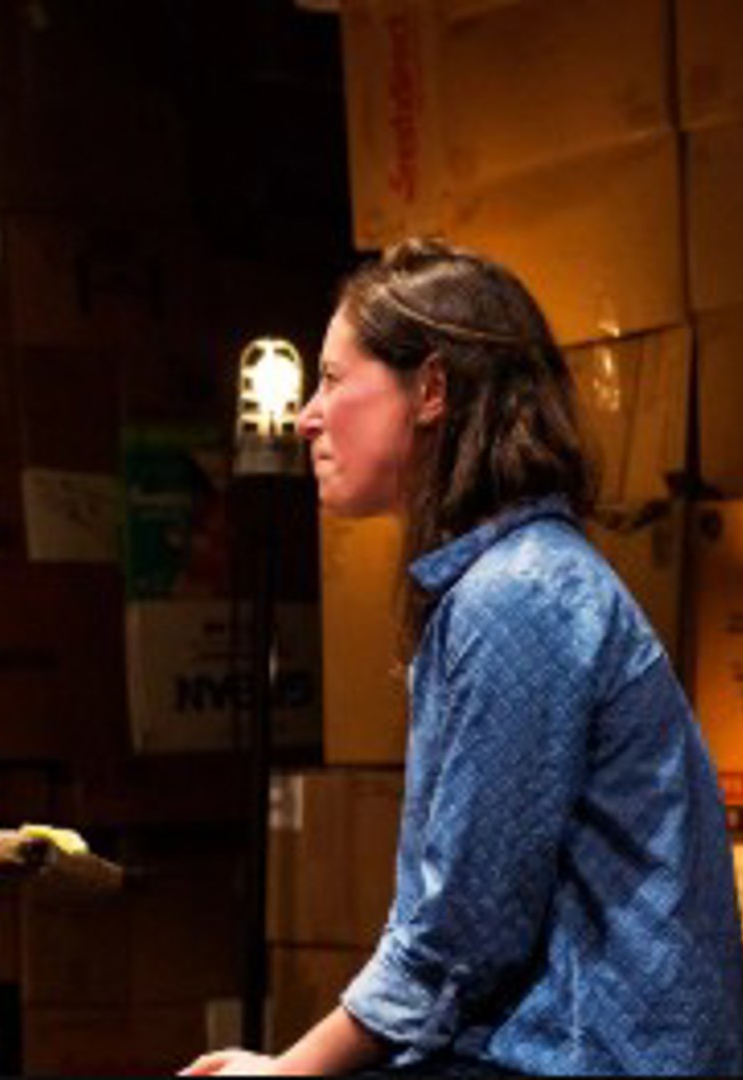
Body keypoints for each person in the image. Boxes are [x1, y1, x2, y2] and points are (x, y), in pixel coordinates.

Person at [184, 240, 743, 1076]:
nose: (305, 415)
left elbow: (462, 937)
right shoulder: (509, 581)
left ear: (433, 390)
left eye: (335, 380)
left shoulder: (516, 597)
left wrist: (288, 1072)